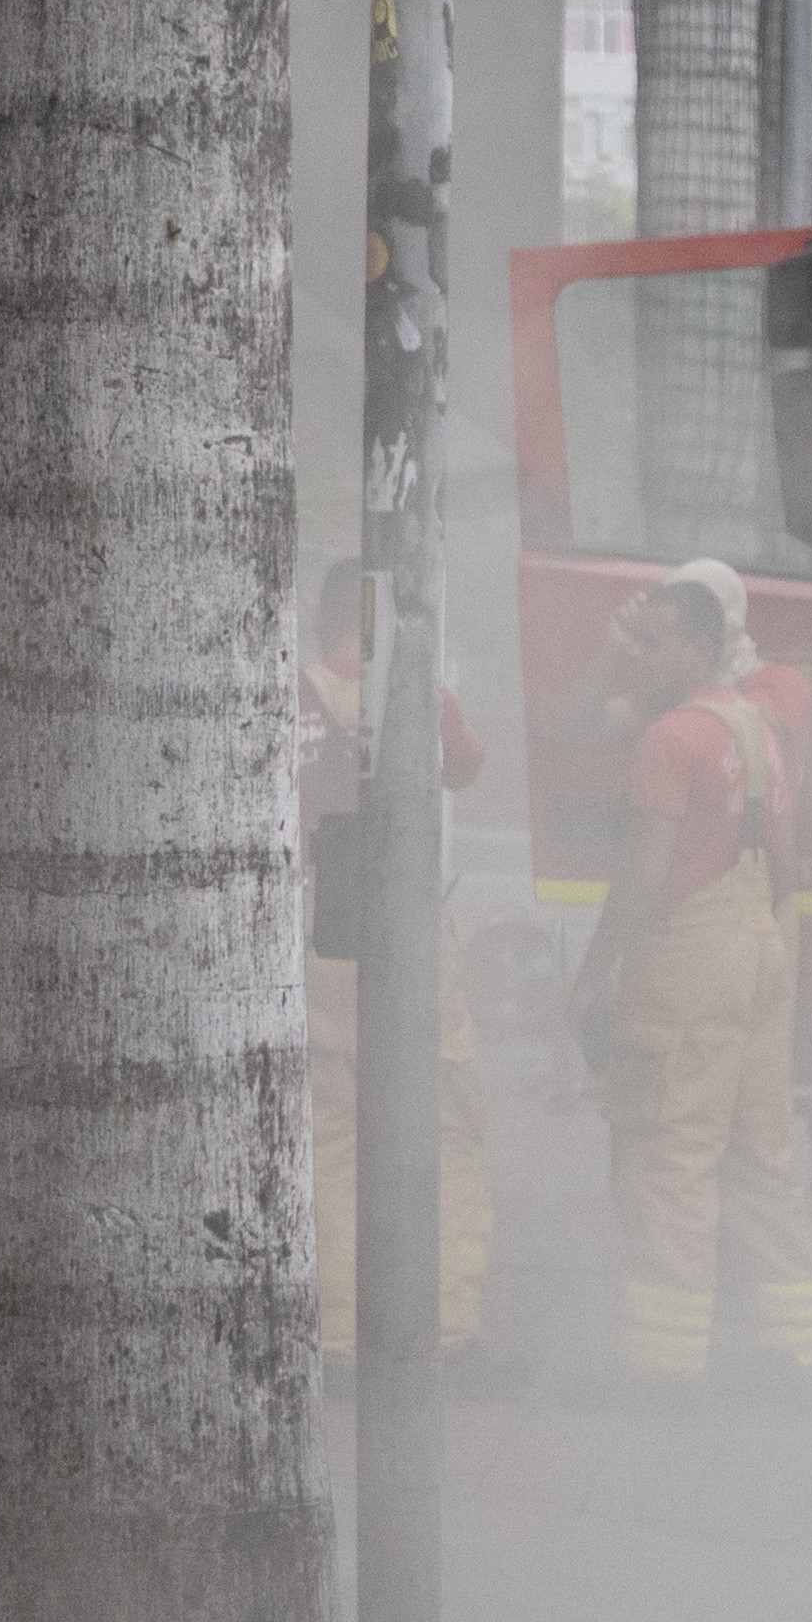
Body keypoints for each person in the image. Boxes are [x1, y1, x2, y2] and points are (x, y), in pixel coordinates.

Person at [578, 560, 812, 1382]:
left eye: (650, 643)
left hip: (689, 955)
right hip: (759, 945)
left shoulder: (671, 737)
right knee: (761, 1153)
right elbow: (786, 864)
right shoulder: (757, 730)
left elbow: (644, 874)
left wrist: (595, 972)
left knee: (668, 1155)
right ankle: (790, 1349)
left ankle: (665, 1368)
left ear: (693, 646)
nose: (638, 656)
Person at [306, 559, 497, 1362]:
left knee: (331, 1134)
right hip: (411, 925)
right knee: (440, 1129)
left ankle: (343, 1334)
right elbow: (468, 767)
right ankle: (446, 1323)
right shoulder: (425, 691)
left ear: (321, 618)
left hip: (317, 931)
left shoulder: (287, 690)